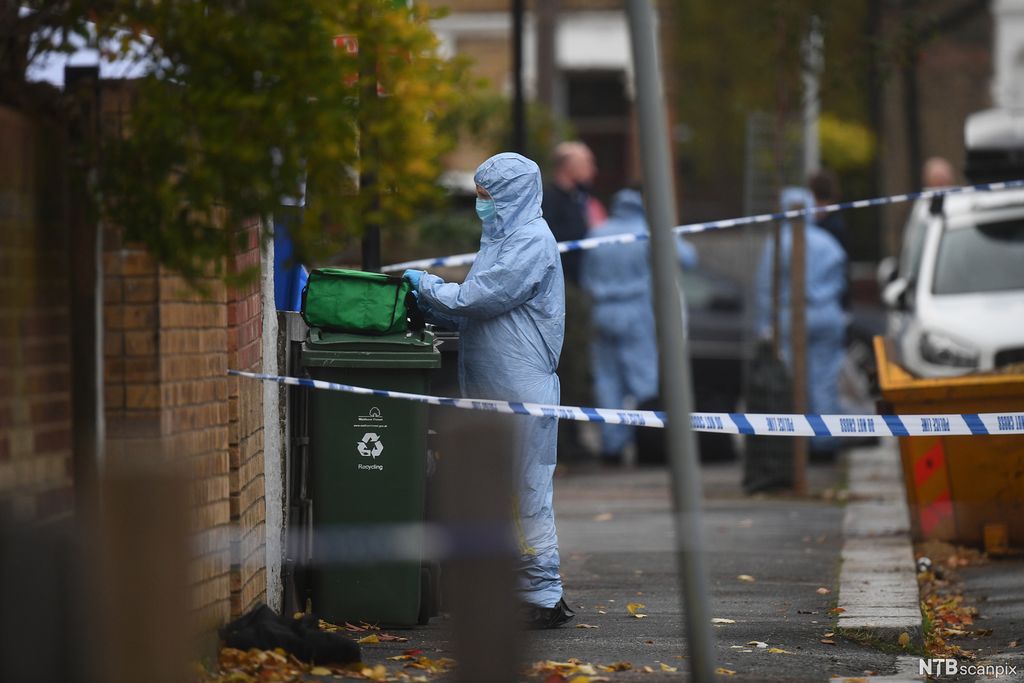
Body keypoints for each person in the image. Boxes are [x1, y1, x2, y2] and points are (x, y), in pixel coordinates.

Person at [402, 152, 573, 629]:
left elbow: (483, 297)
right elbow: (479, 310)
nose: (483, 206)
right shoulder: (499, 242)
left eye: (488, 197)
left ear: (513, 195)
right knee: (495, 491)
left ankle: (541, 595)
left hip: (519, 388)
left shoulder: (531, 242)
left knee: (525, 490)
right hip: (490, 385)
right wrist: (433, 307)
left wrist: (430, 287)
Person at [579, 187, 697, 465]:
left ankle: (612, 449)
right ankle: (649, 446)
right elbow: (689, 259)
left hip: (601, 312)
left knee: (608, 382)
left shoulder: (596, 233)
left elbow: (585, 277)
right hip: (637, 312)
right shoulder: (646, 230)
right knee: (644, 380)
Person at [755, 187, 847, 455]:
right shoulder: (828, 243)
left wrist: (763, 325)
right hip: (827, 315)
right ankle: (826, 442)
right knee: (824, 379)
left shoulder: (778, 243)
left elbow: (765, 287)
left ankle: (799, 444)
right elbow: (841, 281)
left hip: (790, 315)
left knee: (794, 380)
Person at [541, 141, 599, 461]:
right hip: (560, 296)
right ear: (567, 166)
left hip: (574, 290)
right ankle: (564, 442)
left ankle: (573, 438)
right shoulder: (552, 201)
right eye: (586, 161)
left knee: (576, 371)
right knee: (566, 367)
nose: (593, 169)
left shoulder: (579, 199)